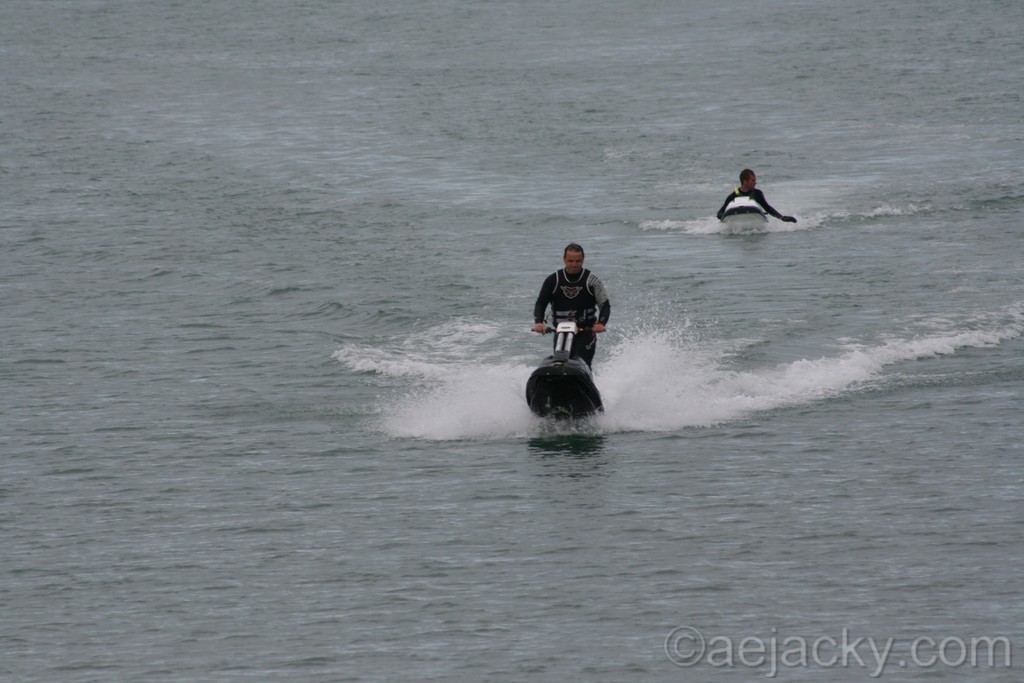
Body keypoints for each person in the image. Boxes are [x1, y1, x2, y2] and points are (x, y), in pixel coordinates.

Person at [533, 243, 610, 368]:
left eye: (578, 261)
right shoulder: (553, 280)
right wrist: (539, 322)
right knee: (560, 363)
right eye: (570, 261)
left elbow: (605, 305)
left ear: (583, 260)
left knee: (582, 363)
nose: (574, 265)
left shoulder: (592, 280)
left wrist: (601, 323)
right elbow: (540, 303)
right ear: (564, 259)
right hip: (561, 331)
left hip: (586, 332)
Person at [717, 169, 797, 222]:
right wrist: (726, 217)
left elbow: (768, 208)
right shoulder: (733, 195)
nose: (755, 182)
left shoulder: (757, 193)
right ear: (745, 182)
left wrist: (782, 218)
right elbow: (719, 213)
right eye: (753, 180)